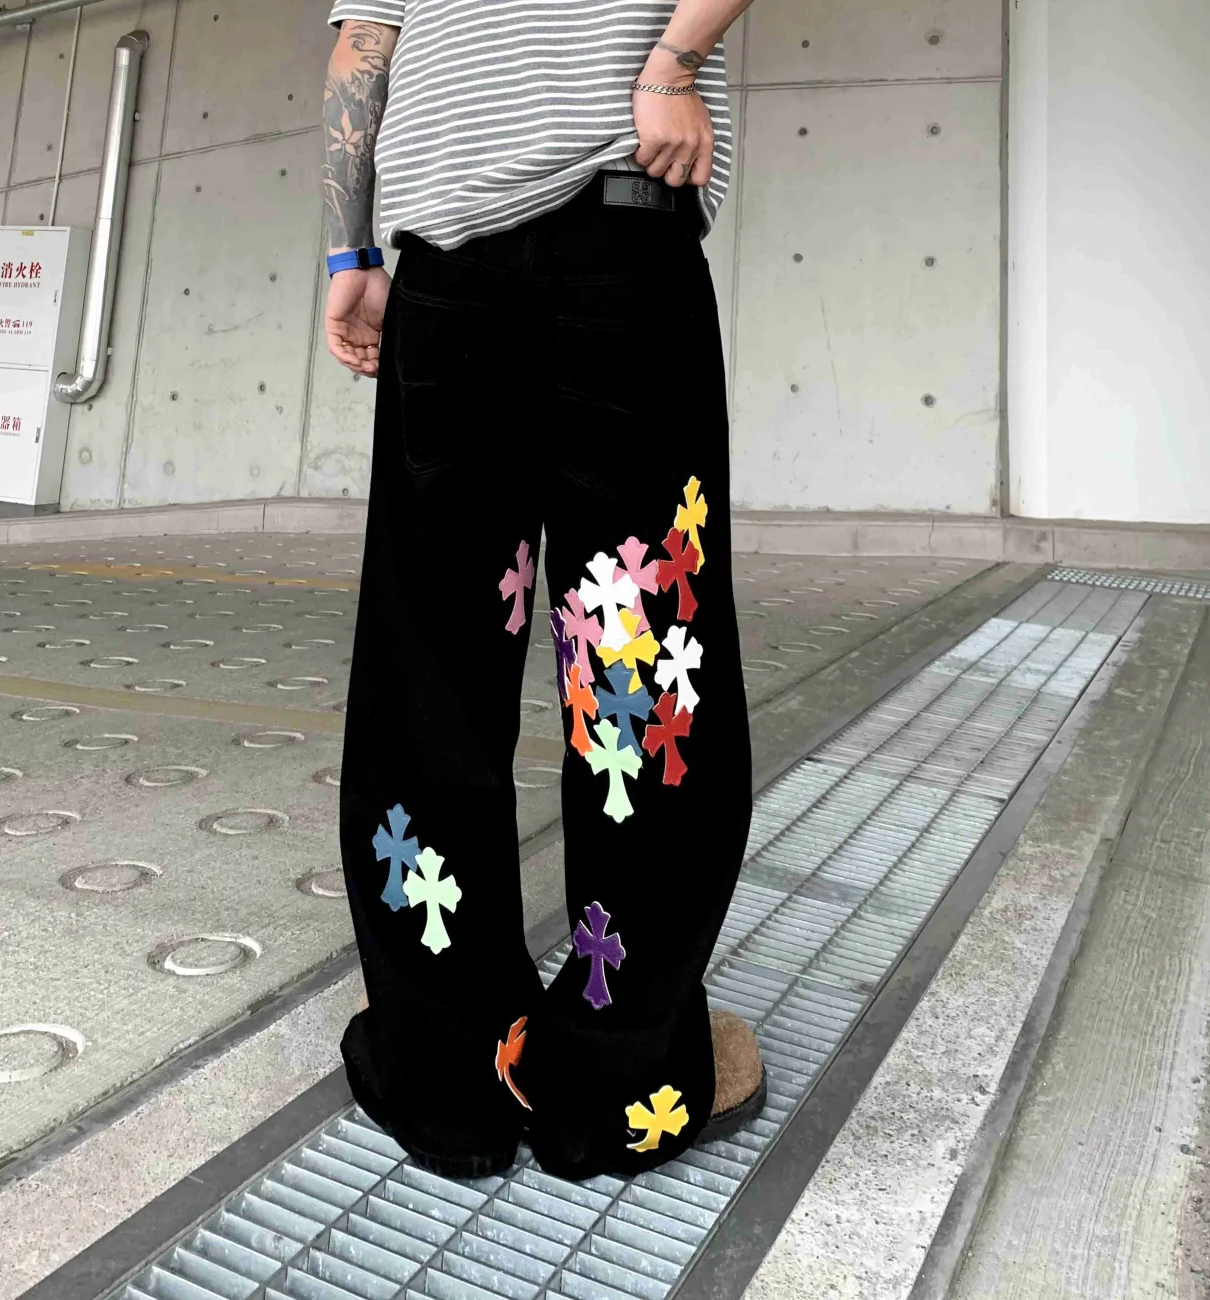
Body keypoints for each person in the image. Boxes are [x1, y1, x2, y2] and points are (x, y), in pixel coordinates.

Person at [323, 0, 763, 1183]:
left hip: (441, 266)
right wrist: (671, 64)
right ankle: (615, 1077)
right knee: (636, 662)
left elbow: (361, 50)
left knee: (431, 665)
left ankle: (442, 1064)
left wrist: (349, 253)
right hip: (615, 233)